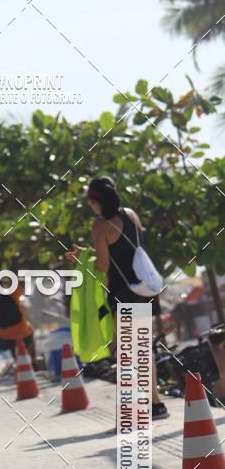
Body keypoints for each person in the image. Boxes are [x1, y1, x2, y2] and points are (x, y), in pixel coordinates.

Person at [73, 176, 168, 420]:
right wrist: (89, 252)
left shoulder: (100, 225)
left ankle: (147, 404)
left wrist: (85, 260)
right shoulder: (131, 215)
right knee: (143, 348)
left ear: (94, 202)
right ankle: (155, 403)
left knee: (129, 350)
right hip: (143, 288)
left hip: (123, 293)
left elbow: (103, 265)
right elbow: (124, 250)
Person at [0, 279, 35, 369]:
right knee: (30, 329)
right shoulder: (14, 295)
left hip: (4, 340)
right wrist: (9, 280)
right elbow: (22, 283)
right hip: (24, 338)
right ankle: (34, 361)